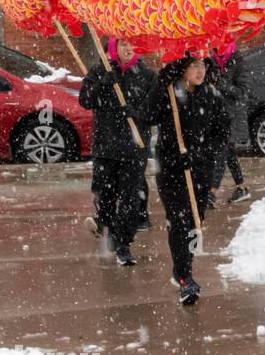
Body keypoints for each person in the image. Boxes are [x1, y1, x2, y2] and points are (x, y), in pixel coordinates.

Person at [145, 54, 228, 305]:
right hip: (171, 168)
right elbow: (147, 115)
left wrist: (199, 153)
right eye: (193, 65)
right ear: (182, 68)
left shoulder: (211, 95)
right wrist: (161, 84)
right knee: (178, 220)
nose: (199, 70)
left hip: (199, 168)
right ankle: (184, 277)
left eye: (203, 64)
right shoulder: (169, 91)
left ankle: (183, 267)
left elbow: (222, 132)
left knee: (194, 221)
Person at [79, 38, 155, 267]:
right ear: (113, 47)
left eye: (132, 43)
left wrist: (139, 113)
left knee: (130, 200)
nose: (128, 48)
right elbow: (85, 100)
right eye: (123, 44)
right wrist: (103, 83)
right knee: (105, 196)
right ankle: (105, 226)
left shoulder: (146, 75)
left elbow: (157, 109)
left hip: (135, 148)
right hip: (106, 148)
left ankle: (123, 244)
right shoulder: (100, 69)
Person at [206, 40, 251, 205]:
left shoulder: (239, 62)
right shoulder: (210, 61)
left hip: (232, 116)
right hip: (216, 115)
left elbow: (241, 92)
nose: (218, 47)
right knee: (228, 152)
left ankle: (212, 192)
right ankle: (242, 188)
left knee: (221, 152)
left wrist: (221, 83)